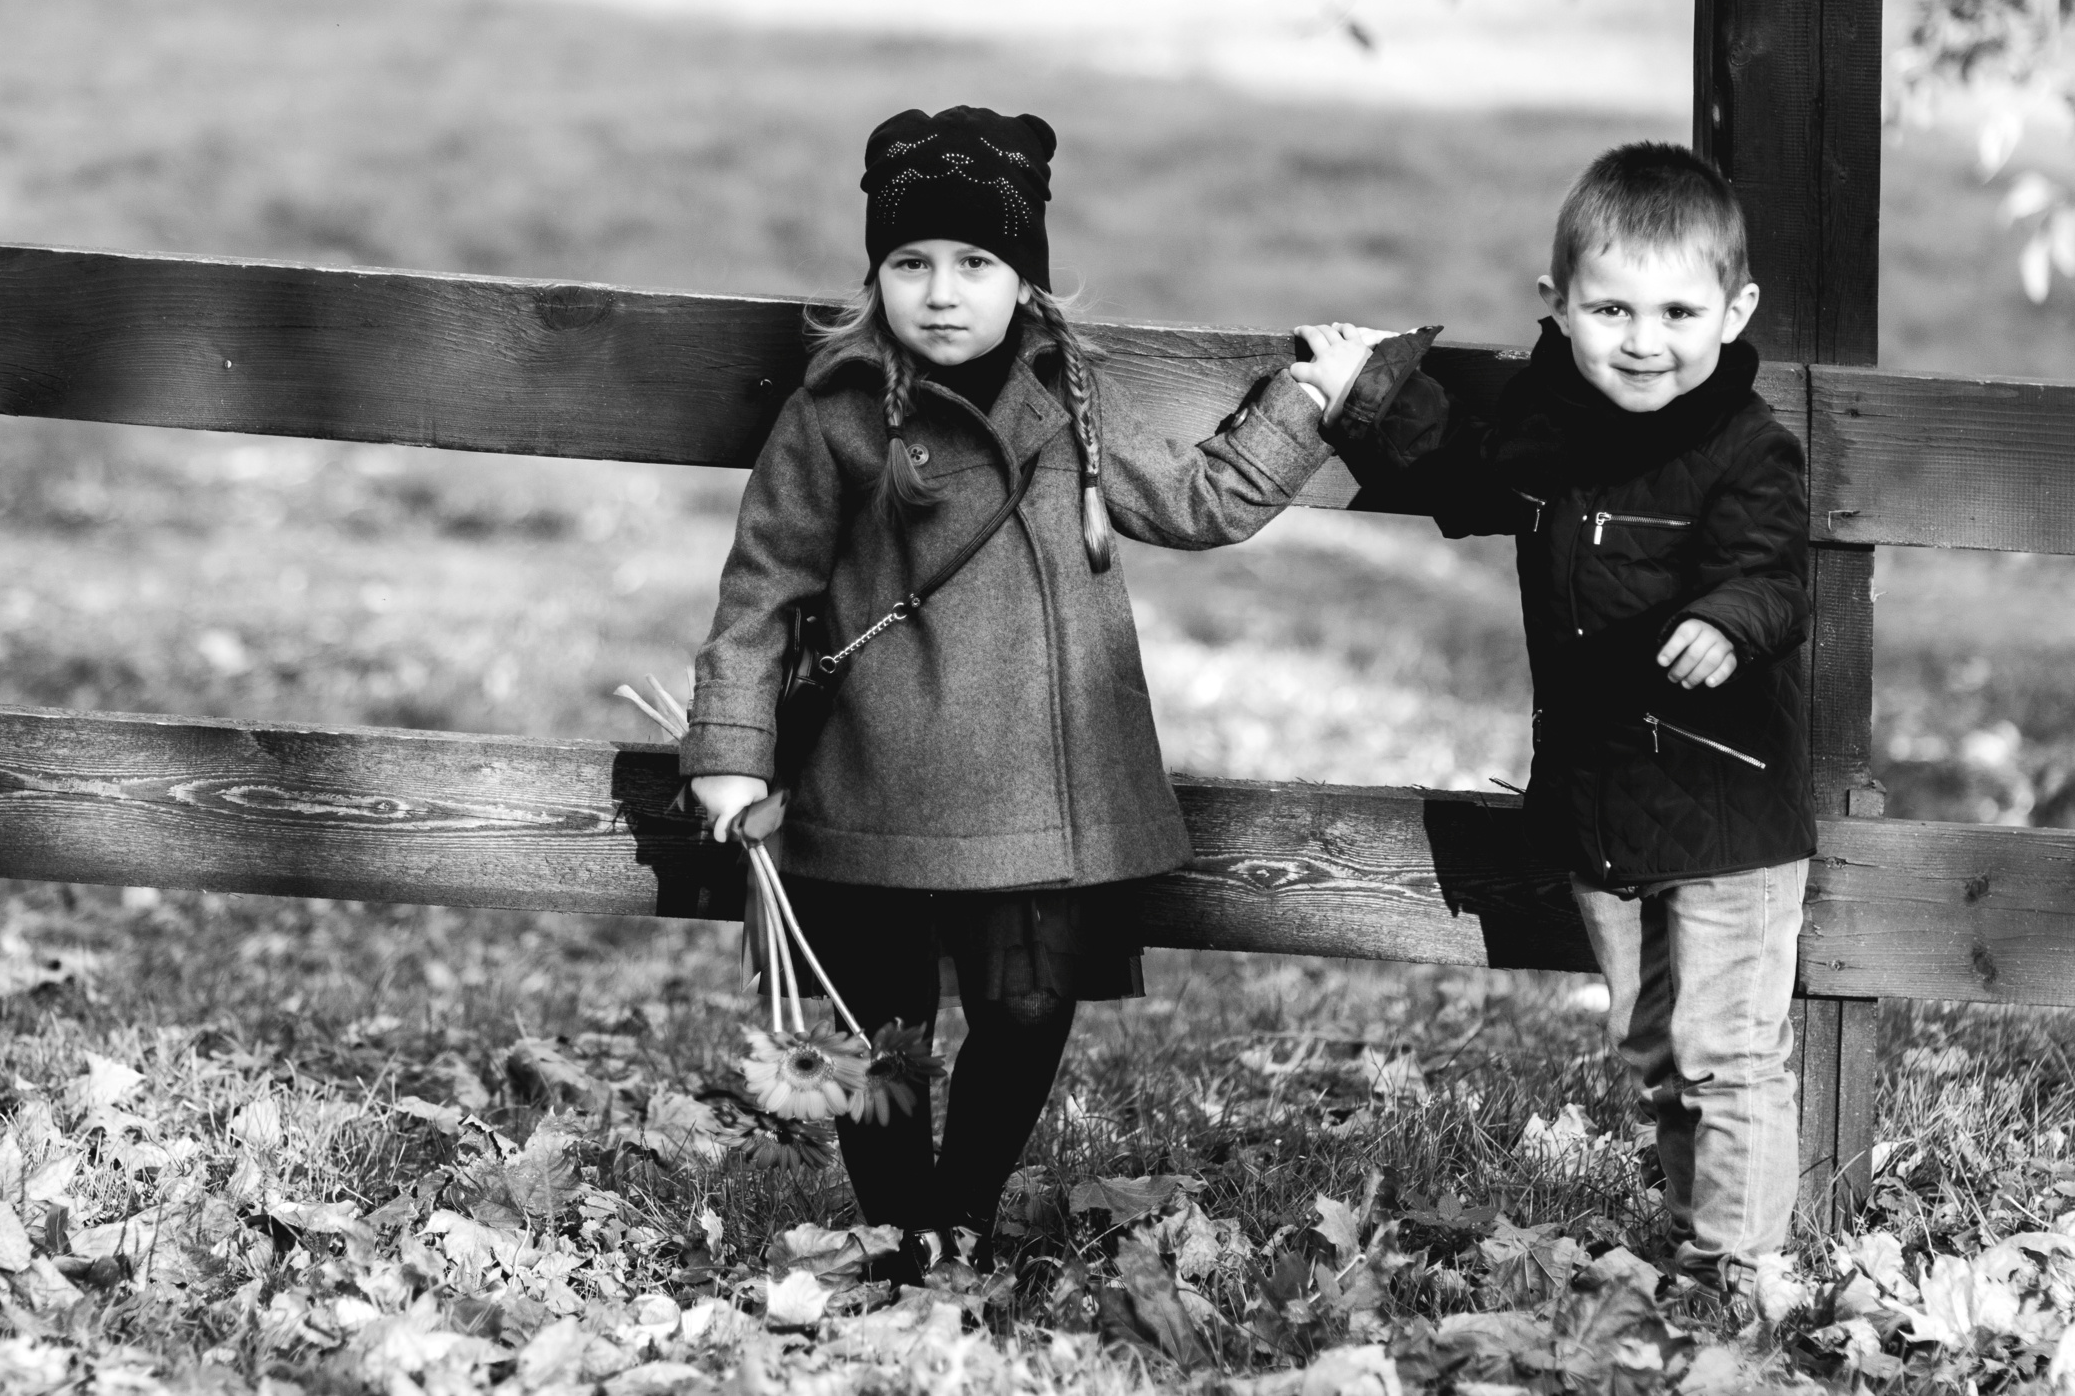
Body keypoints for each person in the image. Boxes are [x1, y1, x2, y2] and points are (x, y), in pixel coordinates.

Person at [679, 105, 1334, 1258]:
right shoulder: (835, 413)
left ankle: (961, 1215)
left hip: (1041, 774)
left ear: (1023, 276)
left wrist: (1309, 399)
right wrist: (729, 752)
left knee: (1028, 1007)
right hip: (877, 771)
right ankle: (901, 1235)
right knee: (878, 1022)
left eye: (975, 264)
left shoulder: (1068, 400)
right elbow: (762, 589)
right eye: (910, 263)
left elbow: (1199, 502)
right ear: (875, 275)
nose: (941, 293)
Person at [1290, 142, 1812, 1294]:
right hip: (1603, 801)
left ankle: (1739, 1273)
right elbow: (1459, 474)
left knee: (1725, 1052)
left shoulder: (1746, 447)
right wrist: (1363, 390)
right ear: (1559, 306)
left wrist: (1727, 619)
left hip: (1726, 804)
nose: (1643, 340)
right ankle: (1696, 1234)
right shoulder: (1550, 427)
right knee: (1655, 1050)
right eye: (1611, 309)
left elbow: (1776, 573)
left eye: (1678, 312)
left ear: (1734, 313)